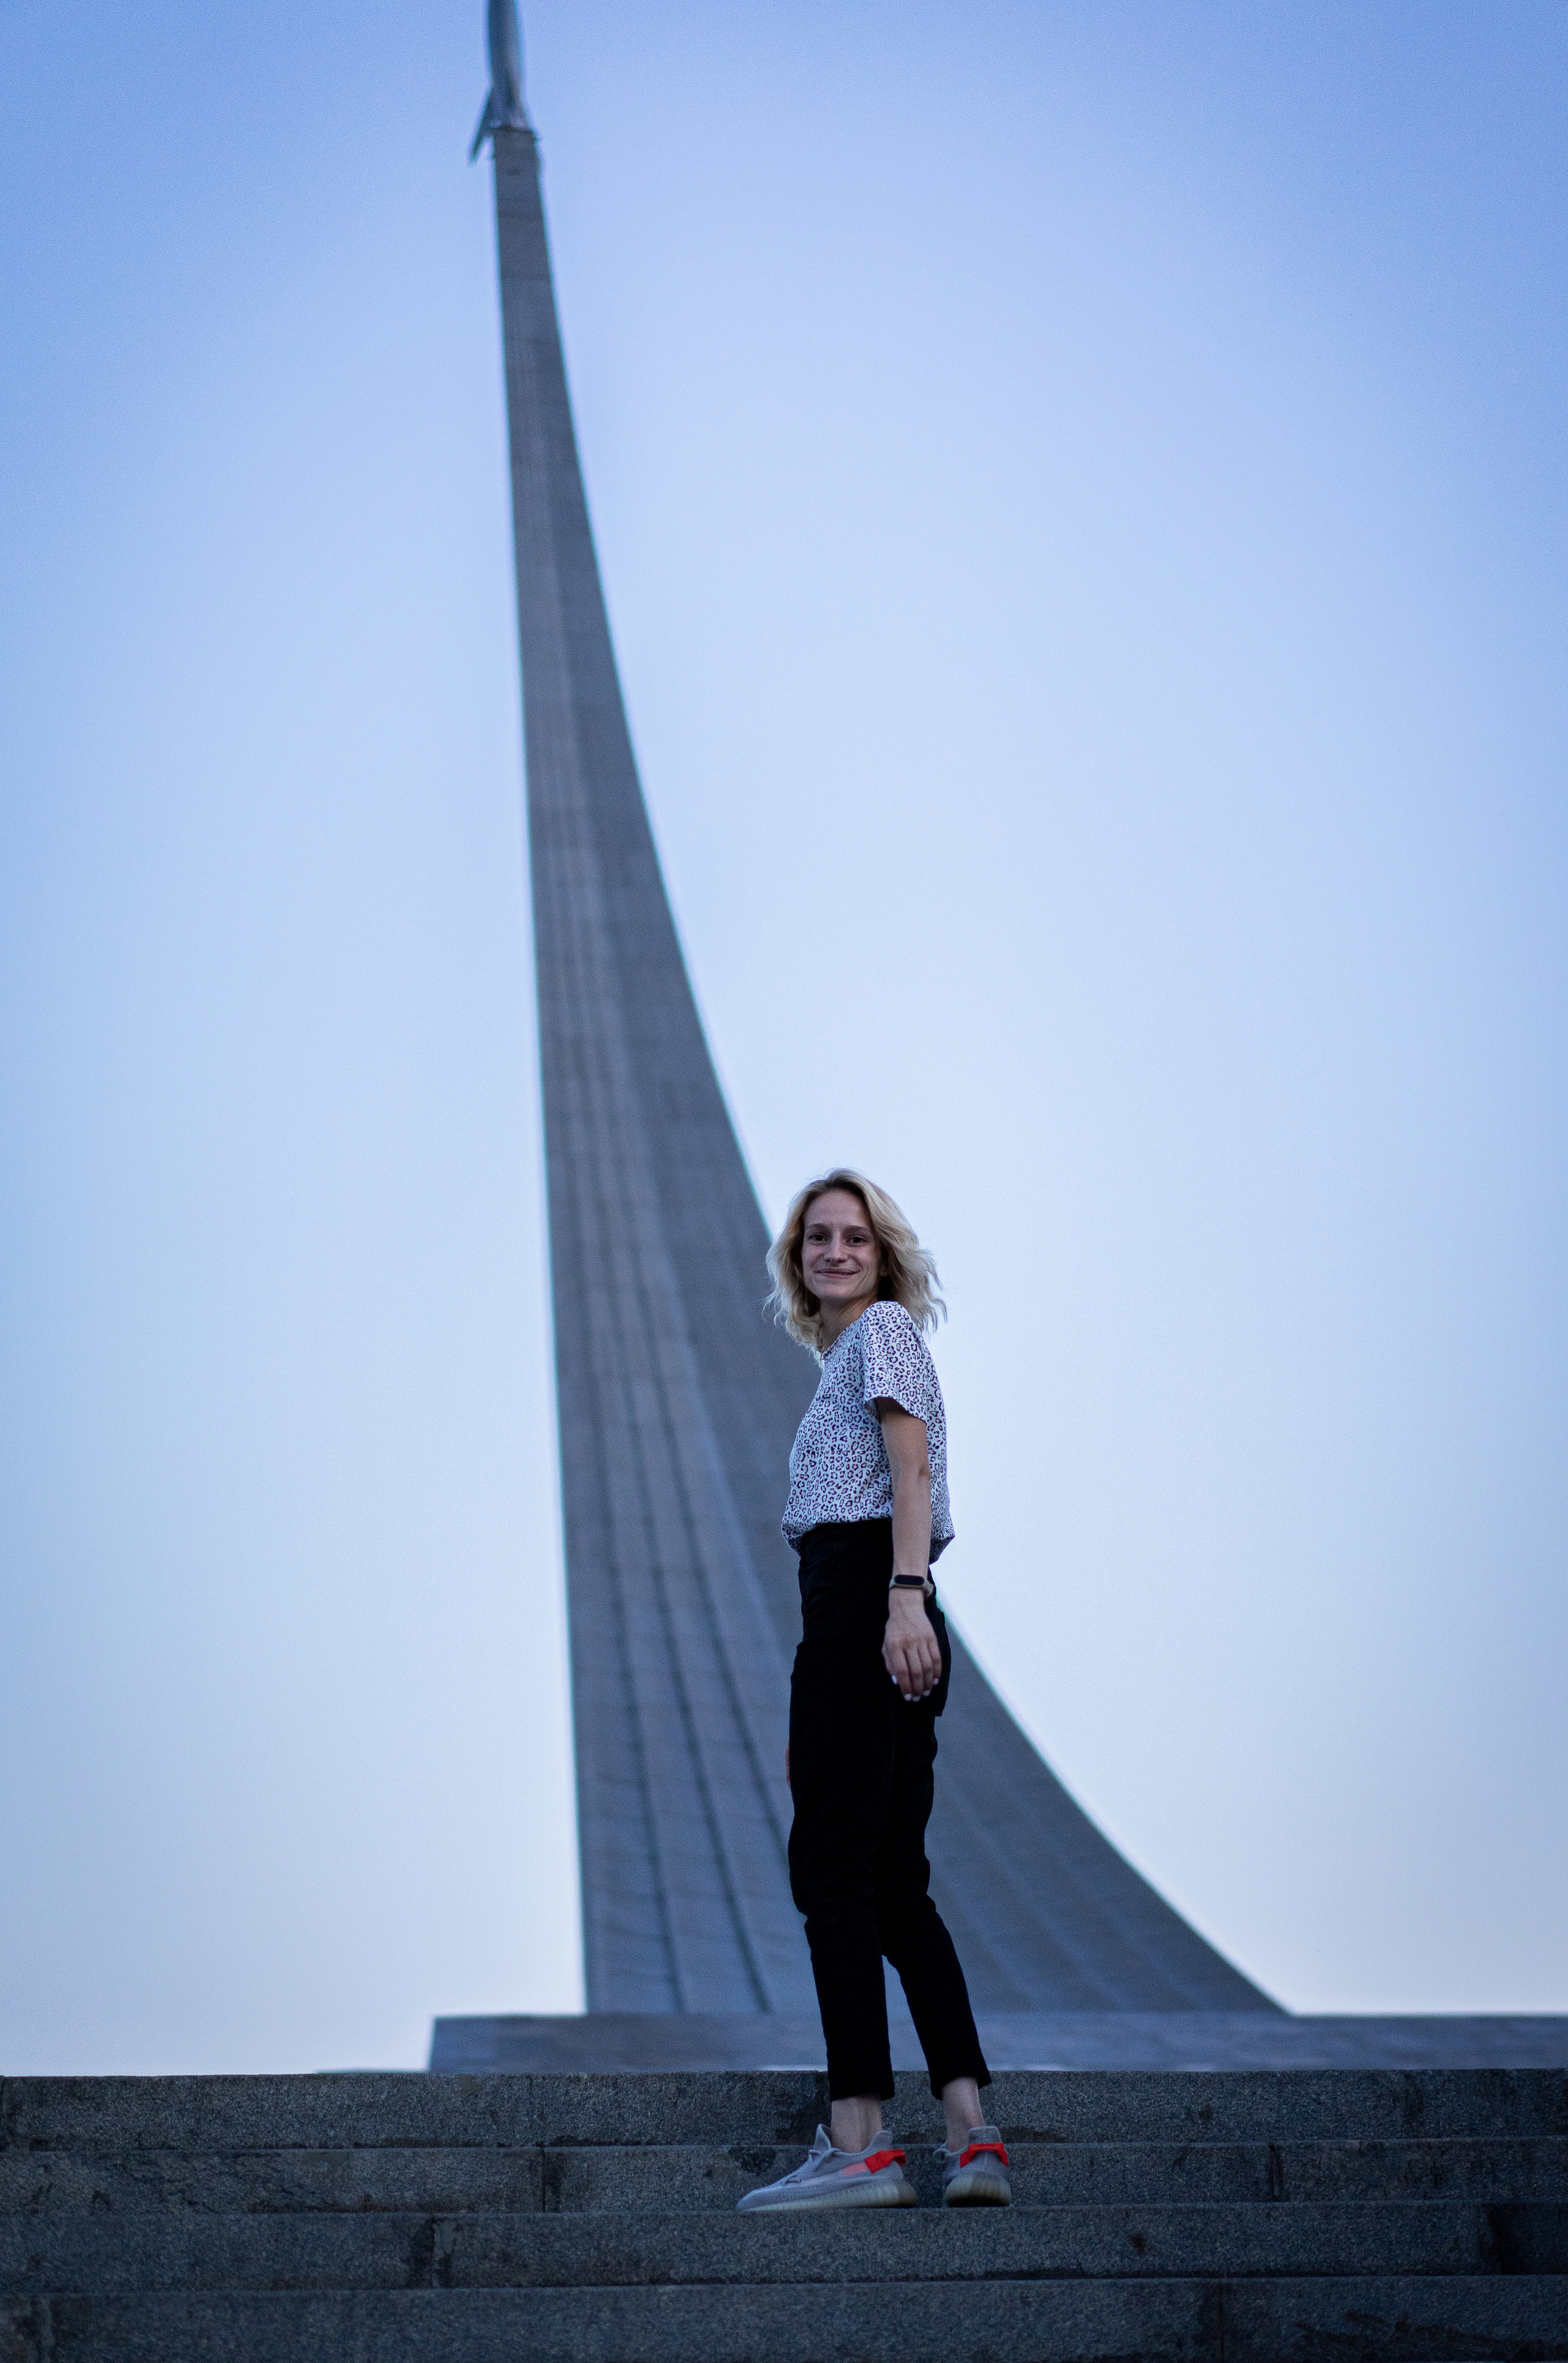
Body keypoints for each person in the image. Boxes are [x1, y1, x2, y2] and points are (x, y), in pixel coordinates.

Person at [736, 1170, 1012, 2214]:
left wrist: (903, 1598)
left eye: (855, 1236)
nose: (836, 1250)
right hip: (874, 1605)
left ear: (884, 1253)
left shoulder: (884, 1330)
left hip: (866, 1603)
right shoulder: (849, 1353)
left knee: (833, 1870)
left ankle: (858, 2138)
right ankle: (970, 2131)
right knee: (894, 1881)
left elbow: (912, 1471)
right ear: (798, 1257)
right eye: (819, 1237)